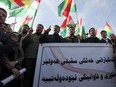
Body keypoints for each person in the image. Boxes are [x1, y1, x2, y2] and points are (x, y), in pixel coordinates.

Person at [0, 8, 20, 85]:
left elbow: (1, 55)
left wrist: (12, 66)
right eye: (0, 13)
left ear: (5, 19)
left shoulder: (5, 38)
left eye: (3, 15)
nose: (0, 15)